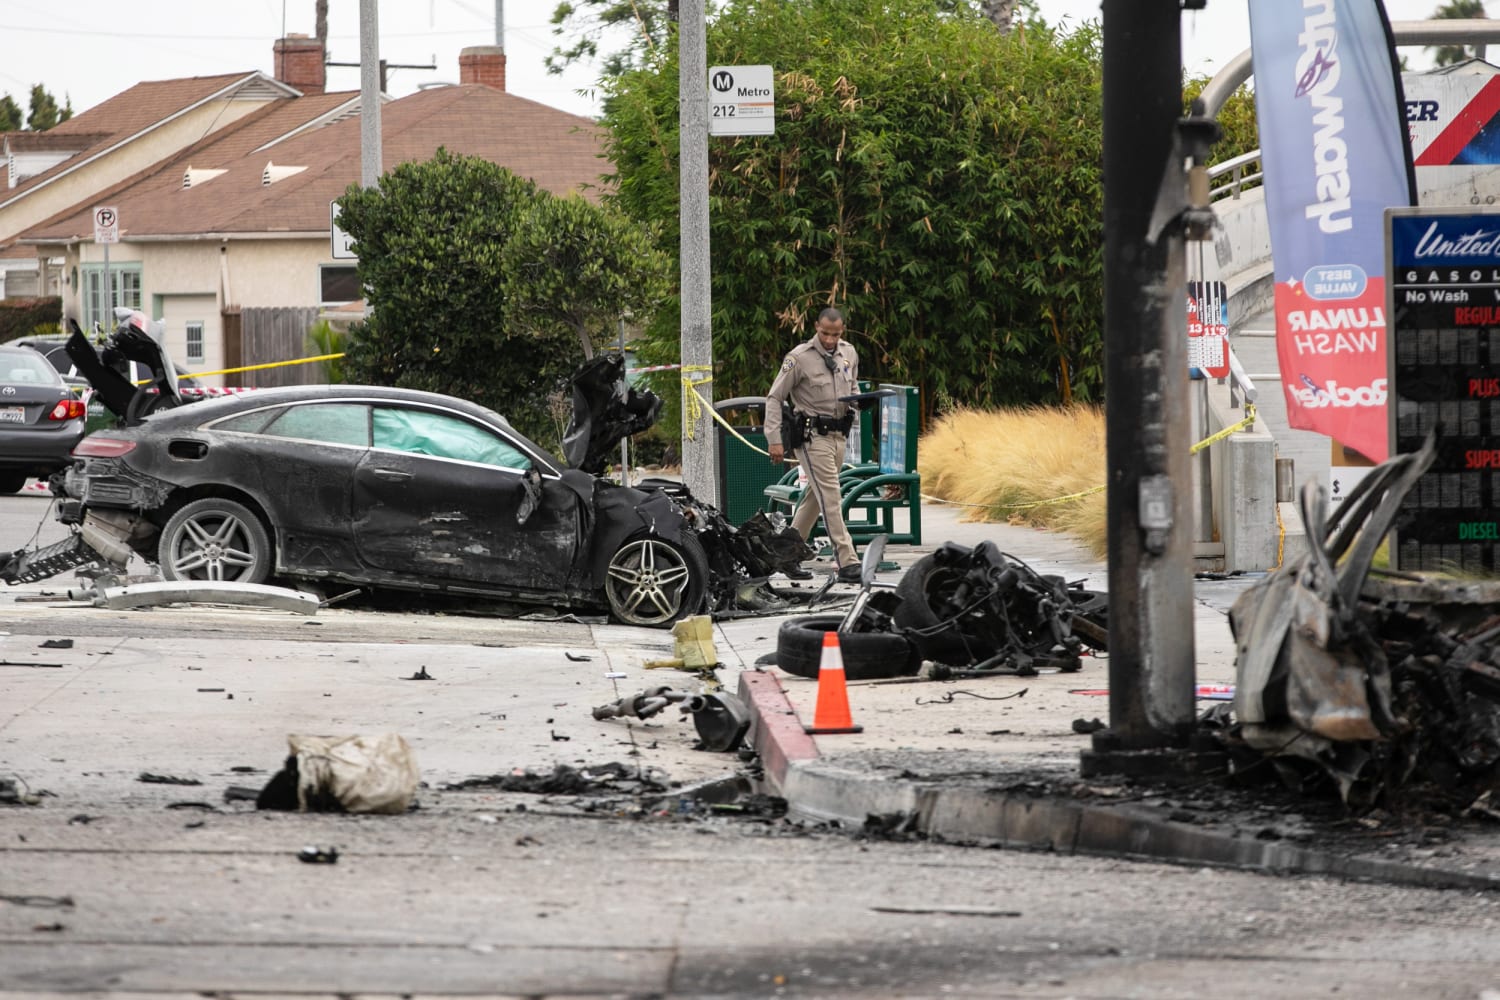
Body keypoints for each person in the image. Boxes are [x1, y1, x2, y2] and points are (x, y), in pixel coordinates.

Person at [764, 307, 863, 583]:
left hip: (838, 436)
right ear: (816, 327)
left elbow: (852, 390)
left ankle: (786, 554)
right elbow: (774, 398)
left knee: (814, 498)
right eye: (825, 333)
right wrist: (774, 440)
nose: (830, 339)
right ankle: (847, 560)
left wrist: (862, 401)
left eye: (836, 334)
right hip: (811, 437)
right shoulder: (799, 358)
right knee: (830, 496)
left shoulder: (849, 353)